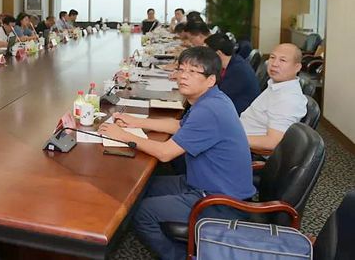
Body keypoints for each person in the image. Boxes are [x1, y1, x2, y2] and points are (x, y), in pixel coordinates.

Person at [99, 47, 254, 260]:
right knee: (139, 187)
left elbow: (165, 153)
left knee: (143, 211)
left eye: (193, 72)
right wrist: (136, 121)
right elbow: (179, 126)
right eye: (181, 69)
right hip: (203, 182)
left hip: (220, 201)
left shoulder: (209, 110)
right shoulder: (212, 99)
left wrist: (123, 136)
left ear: (211, 80)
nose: (183, 76)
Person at [240, 43, 307, 152]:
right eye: (272, 57)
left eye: (283, 60)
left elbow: (273, 142)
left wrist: (231, 139)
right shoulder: (277, 85)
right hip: (239, 134)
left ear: (297, 67)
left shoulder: (288, 99)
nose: (274, 64)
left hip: (245, 149)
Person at [205, 33, 260, 115]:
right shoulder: (233, 61)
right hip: (231, 107)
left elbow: (218, 97)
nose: (204, 57)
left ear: (218, 53)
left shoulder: (237, 70)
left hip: (240, 115)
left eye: (206, 53)